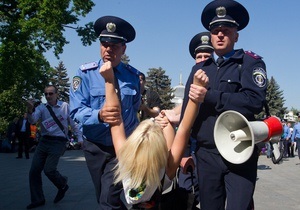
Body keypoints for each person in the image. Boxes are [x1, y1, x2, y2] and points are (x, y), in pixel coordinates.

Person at [180, 1, 268, 209]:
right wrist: (184, 152)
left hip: (240, 152)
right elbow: (186, 114)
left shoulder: (250, 63)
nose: (220, 35)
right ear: (210, 36)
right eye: (216, 31)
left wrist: (210, 96)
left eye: (226, 31)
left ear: (236, 35)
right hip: (206, 154)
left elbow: (254, 102)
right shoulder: (199, 69)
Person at [99, 60, 208, 209]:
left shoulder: (126, 160)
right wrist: (196, 91)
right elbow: (183, 128)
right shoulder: (166, 167)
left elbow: (115, 120)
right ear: (160, 148)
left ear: (133, 144)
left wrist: (109, 81)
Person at [69, 16, 140, 210]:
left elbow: (134, 110)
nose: (108, 49)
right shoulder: (84, 74)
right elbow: (75, 111)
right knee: (104, 195)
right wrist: (99, 115)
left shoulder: (133, 76)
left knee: (108, 199)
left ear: (123, 49)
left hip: (122, 149)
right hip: (95, 147)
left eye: (114, 45)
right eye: (104, 44)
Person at [157, 31, 214, 210]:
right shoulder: (192, 81)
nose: (203, 59)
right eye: (199, 56)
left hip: (212, 154)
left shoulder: (219, 84)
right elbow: (183, 115)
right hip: (189, 152)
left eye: (207, 56)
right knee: (185, 196)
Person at [26, 85, 83, 209]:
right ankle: (38, 199)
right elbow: (32, 121)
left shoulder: (65, 106)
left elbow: (73, 124)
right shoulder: (42, 107)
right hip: (44, 141)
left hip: (58, 142)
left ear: (57, 94)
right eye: (46, 94)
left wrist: (80, 138)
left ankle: (62, 184)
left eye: (51, 94)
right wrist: (30, 110)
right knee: (34, 171)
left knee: (49, 170)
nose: (48, 96)